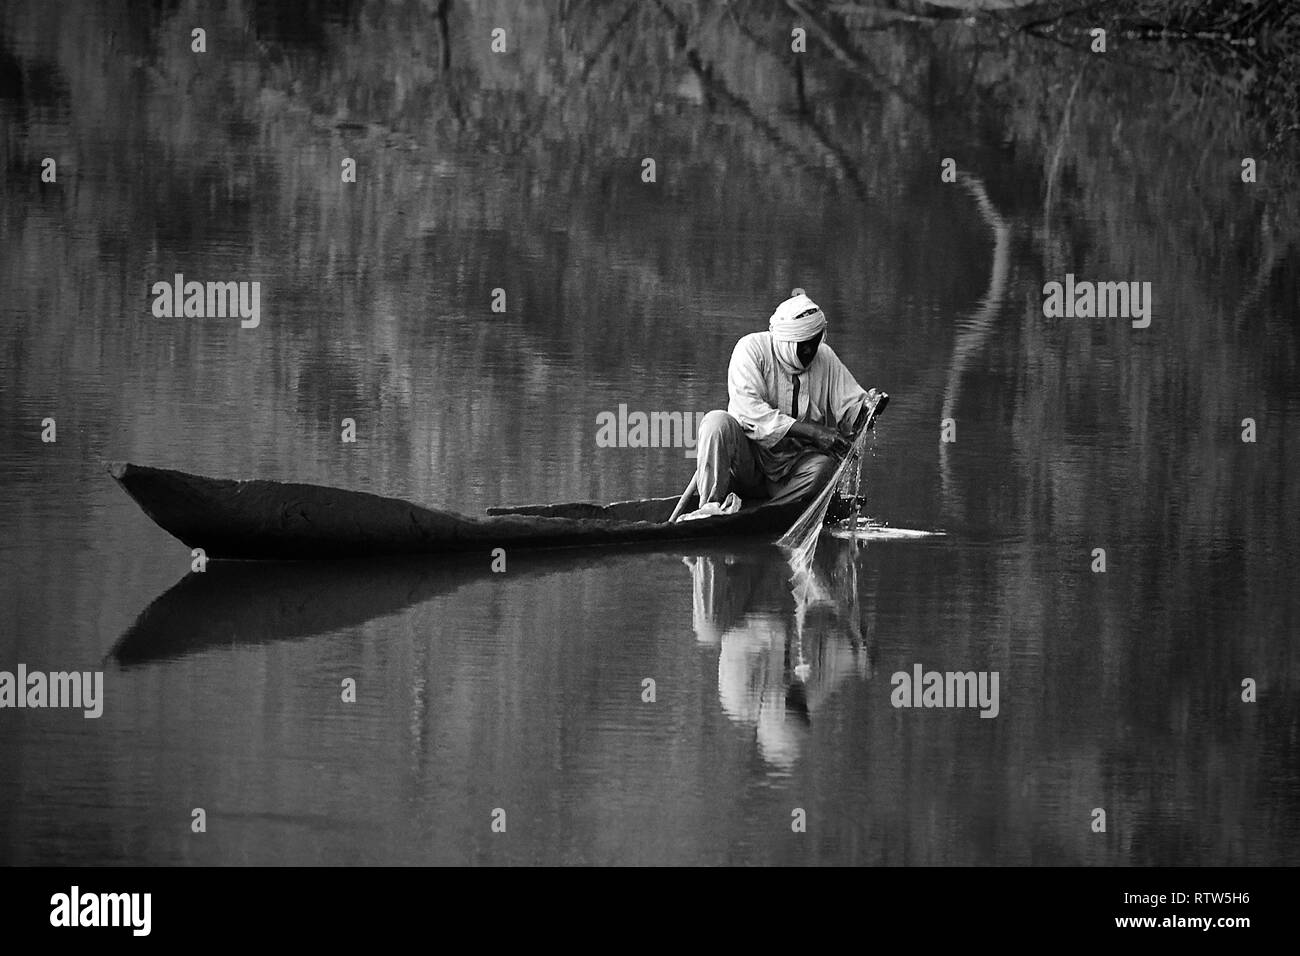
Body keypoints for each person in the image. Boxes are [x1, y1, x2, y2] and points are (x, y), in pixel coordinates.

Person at [687, 290, 883, 514]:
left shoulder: (824, 357)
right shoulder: (751, 349)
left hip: (792, 474)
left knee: (824, 469)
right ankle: (711, 506)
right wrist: (814, 432)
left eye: (814, 342)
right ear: (786, 341)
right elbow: (749, 413)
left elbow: (851, 411)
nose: (810, 351)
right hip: (747, 466)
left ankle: (771, 512)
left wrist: (867, 410)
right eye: (803, 344)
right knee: (716, 423)